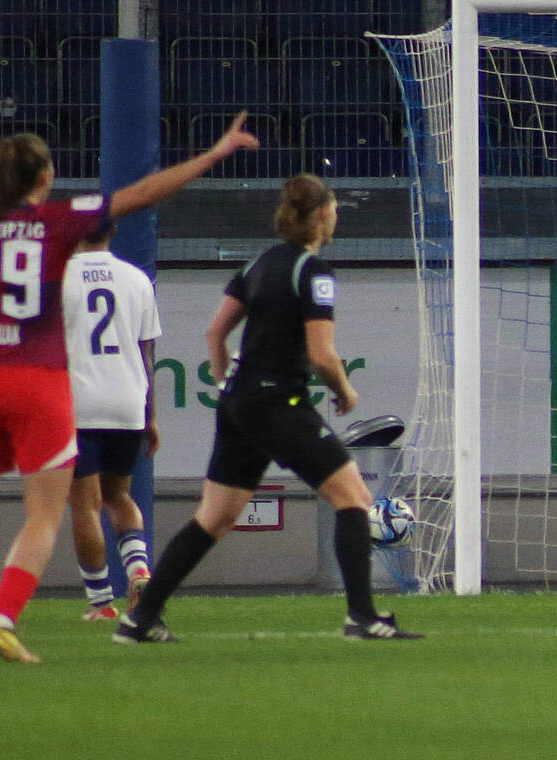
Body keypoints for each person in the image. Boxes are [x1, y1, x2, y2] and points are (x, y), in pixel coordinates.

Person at [0, 63, 257, 663]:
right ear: (45, 176)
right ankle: (2, 620)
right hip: (39, 382)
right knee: (46, 515)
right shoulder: (56, 222)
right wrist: (215, 152)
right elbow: (143, 194)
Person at [113, 173, 422, 644]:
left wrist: (225, 382)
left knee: (213, 517)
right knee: (354, 500)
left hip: (238, 404)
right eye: (334, 207)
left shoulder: (258, 263)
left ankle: (140, 618)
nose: (336, 215)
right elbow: (321, 355)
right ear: (321, 215)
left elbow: (216, 333)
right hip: (279, 401)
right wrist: (344, 390)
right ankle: (362, 616)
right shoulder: (313, 273)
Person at [60, 225, 161, 622]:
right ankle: (139, 571)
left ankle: (101, 603)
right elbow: (147, 351)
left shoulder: (59, 278)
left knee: (85, 504)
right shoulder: (137, 279)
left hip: (78, 403)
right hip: (127, 403)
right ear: (112, 232)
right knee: (120, 496)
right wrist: (150, 414)